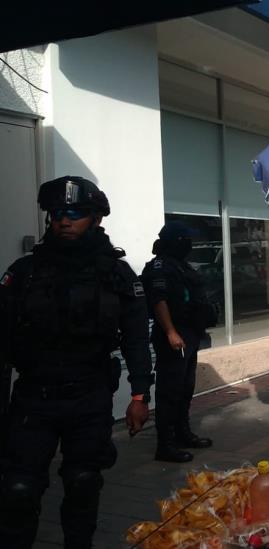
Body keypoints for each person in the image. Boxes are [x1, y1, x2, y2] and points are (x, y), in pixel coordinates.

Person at [0, 176, 153, 548]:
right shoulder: (24, 273)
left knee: (83, 482)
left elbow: (136, 339)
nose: (64, 221)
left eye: (75, 213)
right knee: (19, 488)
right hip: (33, 398)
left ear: (97, 218)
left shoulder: (117, 275)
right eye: (56, 214)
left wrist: (140, 396)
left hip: (89, 396)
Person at [142, 222, 218, 463]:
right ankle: (165, 445)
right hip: (174, 337)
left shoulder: (180, 265)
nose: (190, 244)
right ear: (175, 241)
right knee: (169, 392)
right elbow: (159, 301)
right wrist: (171, 332)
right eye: (186, 239)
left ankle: (183, 433)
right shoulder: (160, 267)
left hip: (190, 334)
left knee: (185, 389)